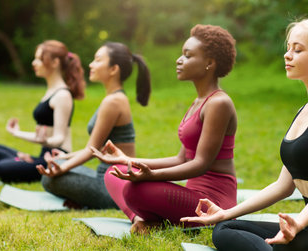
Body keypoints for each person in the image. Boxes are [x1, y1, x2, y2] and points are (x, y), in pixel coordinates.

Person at [181, 19, 308, 251]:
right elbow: (282, 186)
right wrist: (226, 213)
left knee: (275, 246)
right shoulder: (302, 113)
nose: (288, 55)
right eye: (288, 48)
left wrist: (298, 224)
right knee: (225, 229)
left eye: (298, 49)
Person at [91, 24, 238, 233]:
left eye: (188, 56)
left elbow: (200, 164)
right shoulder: (199, 101)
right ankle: (141, 220)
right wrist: (127, 161)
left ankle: (147, 220)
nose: (179, 60)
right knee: (113, 173)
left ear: (210, 63)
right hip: (192, 193)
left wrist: (150, 176)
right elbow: (181, 159)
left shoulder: (218, 103)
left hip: (211, 203)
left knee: (135, 191)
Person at [36, 42, 151, 209]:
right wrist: (63, 157)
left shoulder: (113, 101)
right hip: (106, 177)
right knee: (56, 165)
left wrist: (63, 167)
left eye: (98, 60)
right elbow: (94, 148)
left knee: (49, 178)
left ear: (113, 69)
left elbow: (92, 150)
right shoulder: (114, 98)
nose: (91, 64)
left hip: (115, 187)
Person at [0, 40, 85, 183]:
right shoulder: (51, 91)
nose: (34, 63)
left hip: (55, 160)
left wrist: (42, 140)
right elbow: (44, 137)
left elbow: (59, 138)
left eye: (39, 59)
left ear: (55, 62)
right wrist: (16, 133)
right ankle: (26, 160)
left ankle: (24, 161)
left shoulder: (62, 95)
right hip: (42, 156)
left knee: (0, 169)